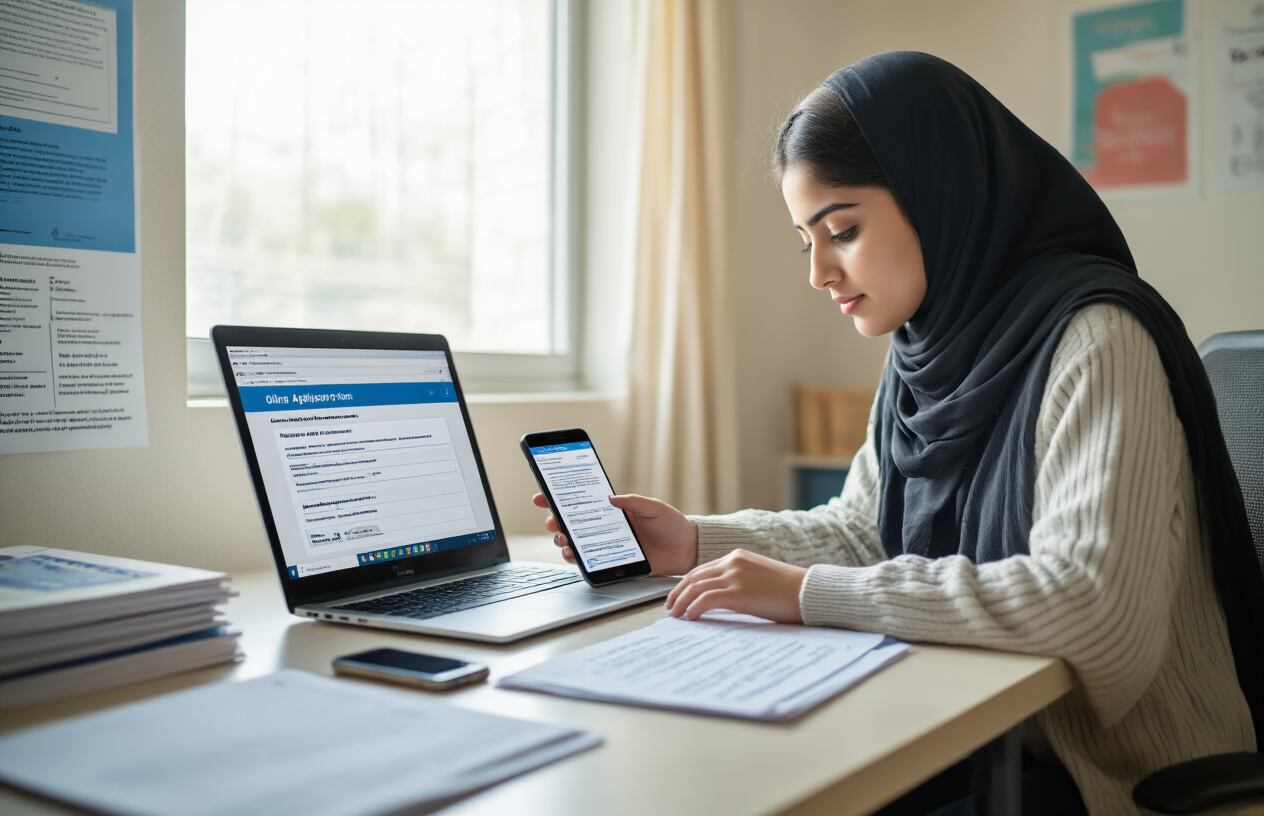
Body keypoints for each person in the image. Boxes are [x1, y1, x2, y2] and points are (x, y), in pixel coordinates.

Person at [532, 52, 1263, 815]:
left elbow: (1089, 608)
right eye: (805, 240)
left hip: (1114, 773)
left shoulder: (1097, 342)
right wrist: (695, 543)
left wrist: (811, 595)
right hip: (994, 739)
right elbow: (865, 532)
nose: (818, 272)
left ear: (936, 193)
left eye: (841, 230)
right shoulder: (923, 350)